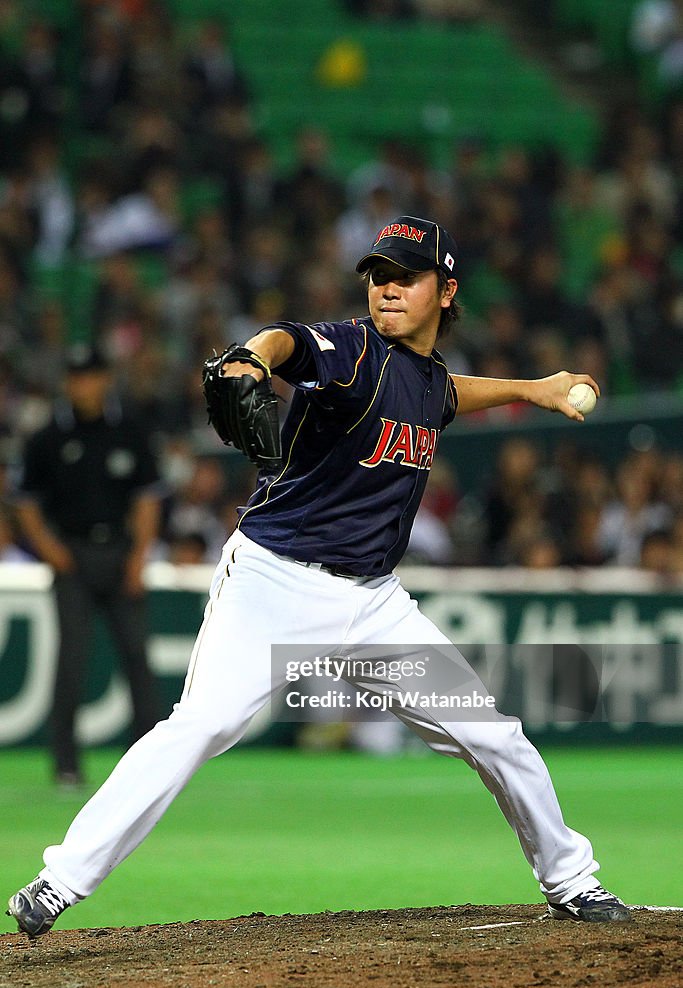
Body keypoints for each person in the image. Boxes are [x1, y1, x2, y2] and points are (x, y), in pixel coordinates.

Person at [6, 217, 630, 939]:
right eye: (377, 275)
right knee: (199, 726)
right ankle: (60, 881)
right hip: (273, 584)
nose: (387, 288)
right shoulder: (352, 350)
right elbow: (287, 341)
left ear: (446, 291)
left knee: (493, 736)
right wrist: (248, 356)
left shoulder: (425, 383)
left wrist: (533, 388)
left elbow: (450, 393)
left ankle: (571, 880)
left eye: (406, 276)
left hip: (373, 604)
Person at [12, 345, 163, 788]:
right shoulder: (48, 437)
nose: (85, 385)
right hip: (72, 557)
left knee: (136, 657)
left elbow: (147, 498)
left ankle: (149, 763)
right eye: (77, 378)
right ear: (68, 383)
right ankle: (66, 764)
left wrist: (139, 556)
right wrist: (50, 549)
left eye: (92, 376)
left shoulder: (130, 431)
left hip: (120, 552)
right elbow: (25, 502)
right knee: (71, 662)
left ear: (105, 380)